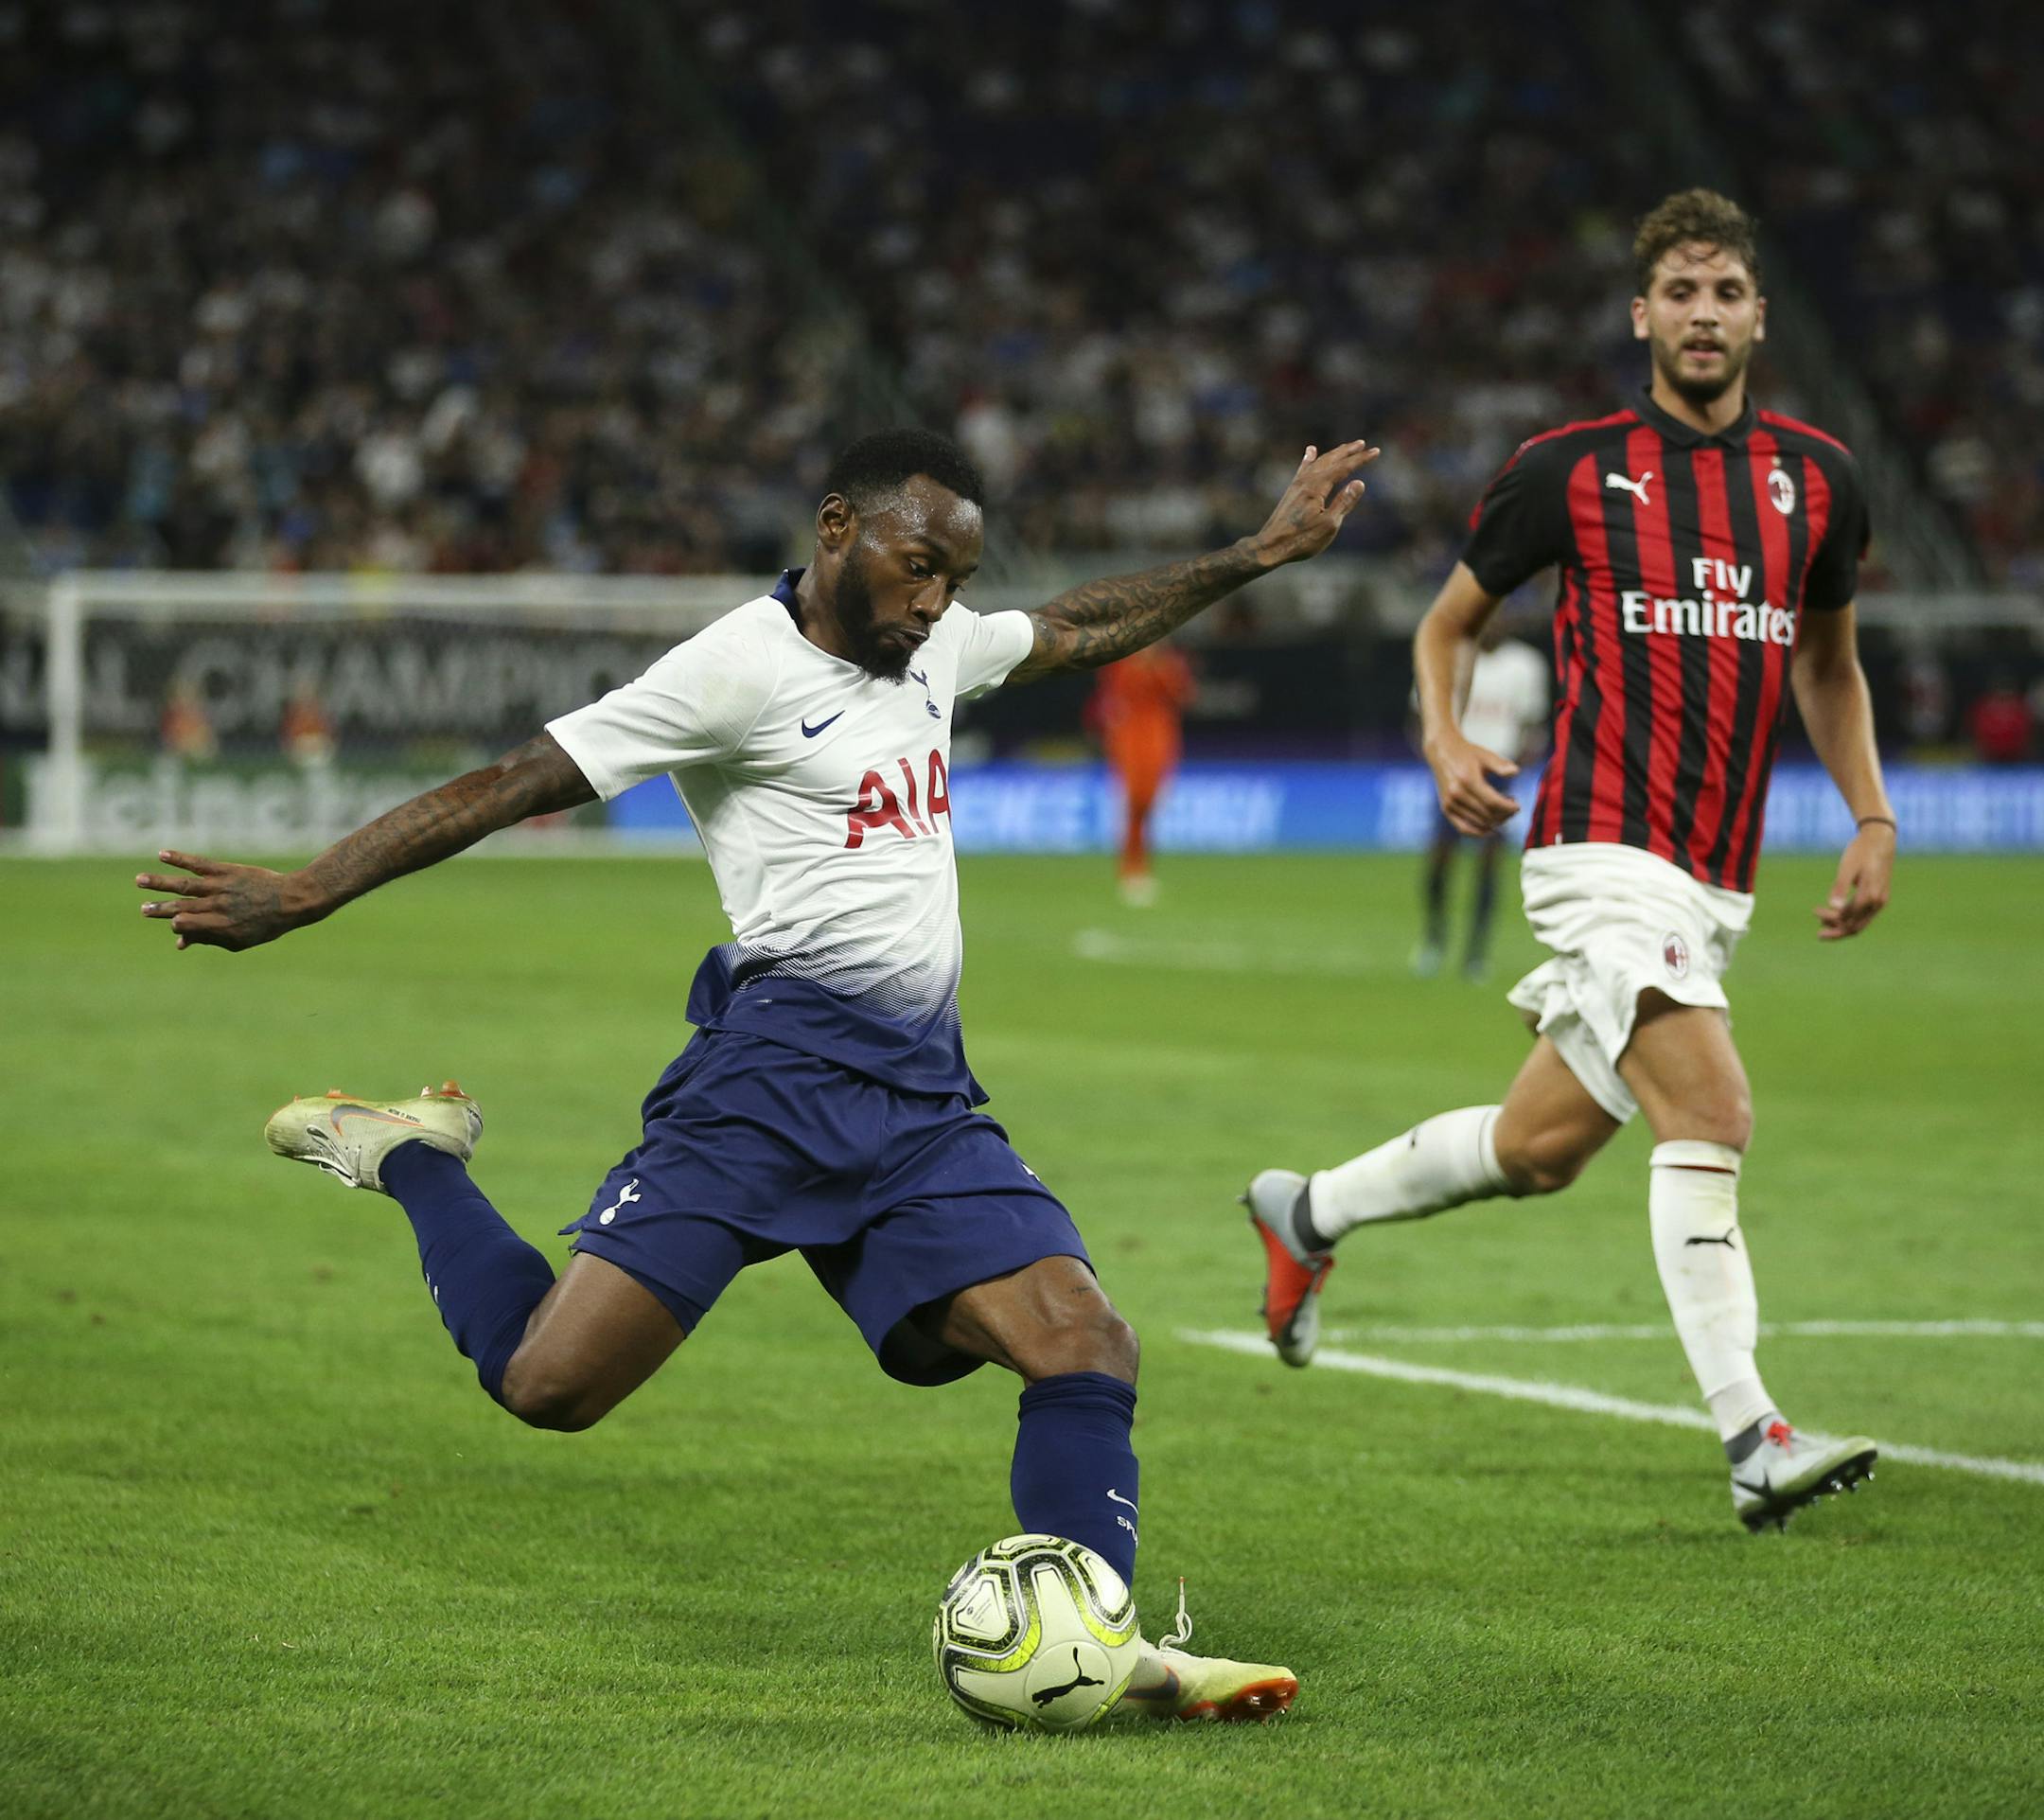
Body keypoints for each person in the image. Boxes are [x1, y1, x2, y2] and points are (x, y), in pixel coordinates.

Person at [137, 427, 1378, 1717]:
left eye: (954, 577)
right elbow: (513, 782)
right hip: (767, 1087)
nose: (935, 601)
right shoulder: (732, 668)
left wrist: (1256, 552)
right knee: (547, 1385)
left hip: (918, 1098)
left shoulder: (936, 643)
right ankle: (409, 1153)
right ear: (838, 526)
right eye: (915, 567)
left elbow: (1076, 625)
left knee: (1085, 1340)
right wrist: (306, 890)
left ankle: (1102, 1636)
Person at [1246, 190, 1896, 1533]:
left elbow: (1827, 664)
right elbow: (1448, 625)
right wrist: (1441, 738)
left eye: (1727, 292)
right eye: (1682, 292)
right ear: (1640, 314)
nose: (1704, 314)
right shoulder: (1573, 470)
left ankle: (1306, 1211)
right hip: (1600, 847)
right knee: (1711, 1114)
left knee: (1536, 1148)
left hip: (1715, 877)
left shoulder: (1818, 482)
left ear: (1758, 316)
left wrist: (1872, 816)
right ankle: (1753, 1433)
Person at [1411, 620, 1548, 981]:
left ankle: (1475, 953)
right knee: (1441, 857)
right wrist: (1437, 755)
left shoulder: (1526, 665)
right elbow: (1420, 713)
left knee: (1489, 862)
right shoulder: (1449, 654)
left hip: (1498, 772)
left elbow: (1533, 725)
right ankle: (1434, 940)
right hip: (1454, 769)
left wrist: (1517, 762)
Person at [1088, 642, 1196, 905]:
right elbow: (1108, 697)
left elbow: (1184, 695)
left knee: (1149, 801)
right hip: (1129, 737)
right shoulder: (1121, 663)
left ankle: (1139, 865)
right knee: (1135, 800)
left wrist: (1158, 670)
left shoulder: (1168, 664)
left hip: (1159, 735)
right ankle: (1133, 868)